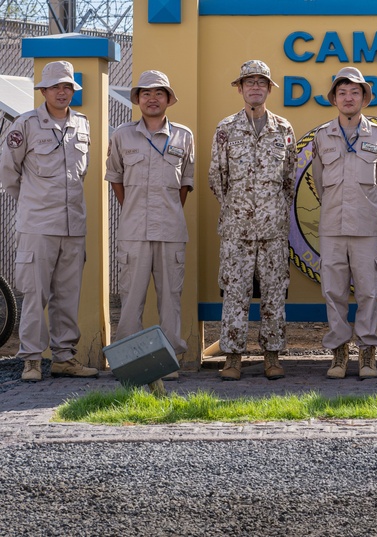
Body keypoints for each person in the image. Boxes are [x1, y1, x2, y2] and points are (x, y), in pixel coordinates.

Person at [0, 61, 97, 382]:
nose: (62, 92)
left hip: (73, 227)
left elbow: (80, 173)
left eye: (67, 87)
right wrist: (32, 203)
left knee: (67, 295)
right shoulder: (25, 125)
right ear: (43, 91)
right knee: (34, 294)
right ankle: (31, 360)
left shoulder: (82, 124)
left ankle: (64, 357)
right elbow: (9, 174)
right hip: (37, 227)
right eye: (56, 86)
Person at [208, 60, 297, 381]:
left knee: (274, 292)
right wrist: (240, 207)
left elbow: (289, 179)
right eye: (249, 83)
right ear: (240, 89)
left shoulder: (284, 130)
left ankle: (272, 356)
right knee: (235, 293)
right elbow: (217, 177)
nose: (255, 87)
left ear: (269, 89)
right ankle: (232, 357)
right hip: (237, 230)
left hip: (273, 230)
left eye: (262, 82)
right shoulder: (225, 129)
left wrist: (269, 209)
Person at [105, 70, 194, 381]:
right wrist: (134, 210)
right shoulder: (121, 135)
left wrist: (166, 211)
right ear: (137, 99)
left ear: (168, 99)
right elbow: (116, 179)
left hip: (171, 231)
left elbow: (184, 185)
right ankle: (129, 362)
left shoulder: (184, 136)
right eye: (145, 93)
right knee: (130, 299)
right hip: (134, 232)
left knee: (171, 297)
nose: (152, 98)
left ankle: (168, 362)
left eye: (159, 93)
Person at [313, 67, 377, 379]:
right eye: (343, 92)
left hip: (366, 228)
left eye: (355, 92)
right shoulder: (323, 136)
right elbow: (319, 182)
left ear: (364, 98)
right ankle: (338, 354)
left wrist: (373, 208)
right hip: (333, 227)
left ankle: (367, 354)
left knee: (368, 292)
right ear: (334, 98)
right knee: (333, 292)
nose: (349, 97)